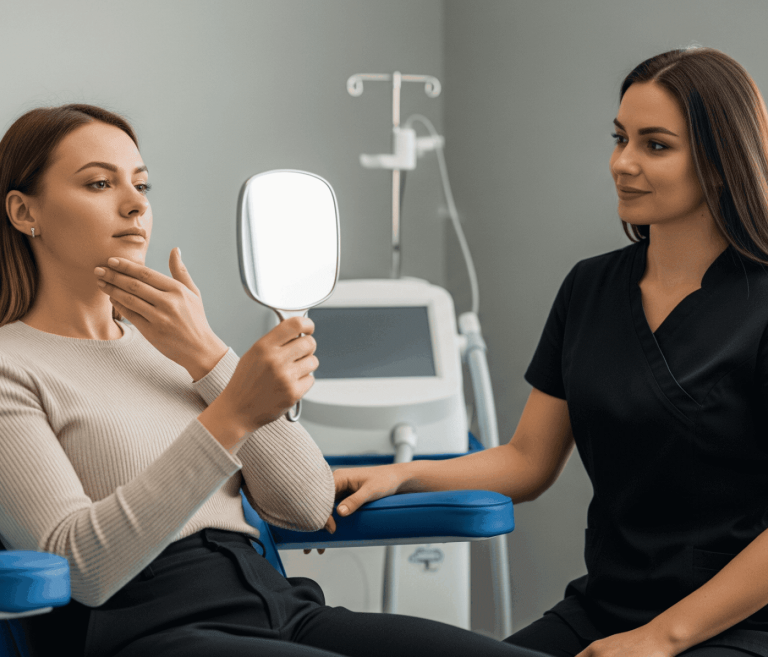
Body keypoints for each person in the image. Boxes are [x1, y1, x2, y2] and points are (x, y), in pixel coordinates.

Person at [0, 104, 544, 657]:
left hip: (281, 608)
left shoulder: (173, 345)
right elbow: (81, 568)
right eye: (98, 183)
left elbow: (306, 505)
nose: (136, 203)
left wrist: (207, 355)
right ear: (25, 212)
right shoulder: (10, 367)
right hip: (149, 632)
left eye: (141, 184)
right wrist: (232, 411)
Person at [331, 47, 768, 657]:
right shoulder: (591, 288)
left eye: (656, 145)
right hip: (608, 608)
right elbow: (528, 460)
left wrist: (662, 639)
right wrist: (401, 475)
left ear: (721, 163)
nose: (622, 163)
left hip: (736, 625)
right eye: (619, 138)